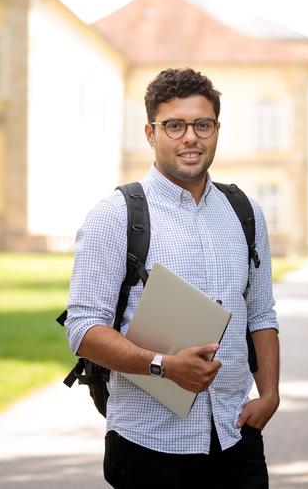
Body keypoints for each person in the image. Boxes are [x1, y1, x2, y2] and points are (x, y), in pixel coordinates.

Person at [65, 67, 280, 489]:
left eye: (202, 124)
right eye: (174, 125)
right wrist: (164, 366)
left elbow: (261, 311)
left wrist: (270, 393)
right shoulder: (116, 215)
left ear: (216, 128)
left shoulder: (246, 213)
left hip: (236, 433)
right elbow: (82, 327)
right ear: (150, 133)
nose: (190, 137)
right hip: (149, 443)